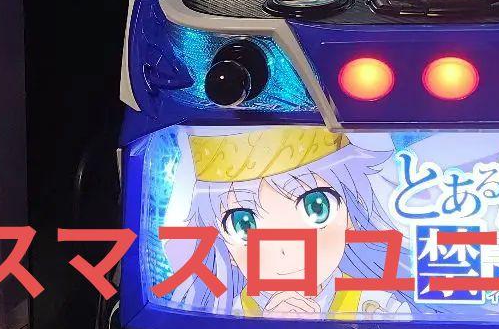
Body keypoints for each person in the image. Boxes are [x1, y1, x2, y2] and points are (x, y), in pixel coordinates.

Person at [171, 128, 411, 319]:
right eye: (244, 225)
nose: (285, 248)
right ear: (223, 242)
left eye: (316, 207)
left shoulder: (380, 307)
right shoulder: (226, 314)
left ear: (349, 219)